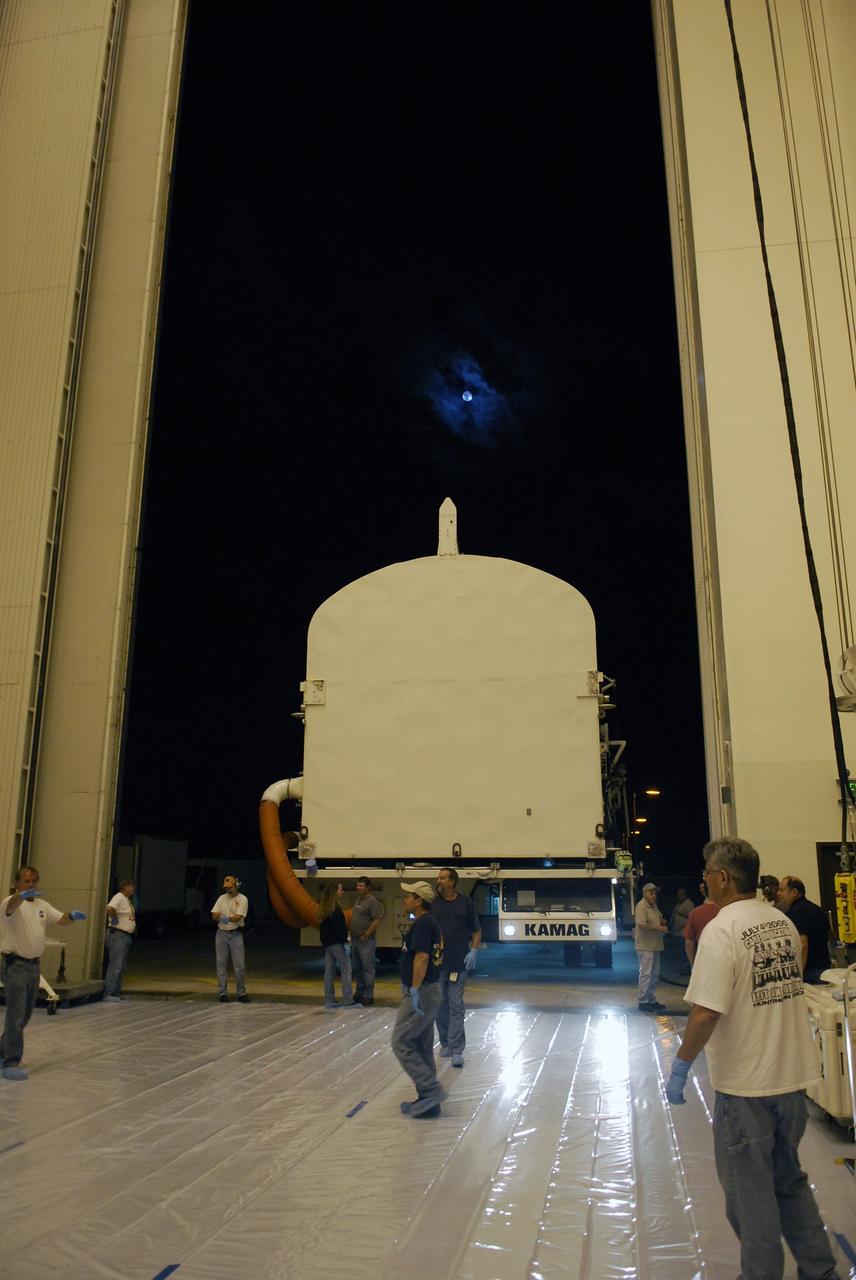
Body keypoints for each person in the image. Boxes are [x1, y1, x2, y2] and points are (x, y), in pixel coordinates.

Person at [665, 837, 841, 1280]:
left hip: (747, 1086)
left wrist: (682, 1063)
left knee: (749, 1194)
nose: (703, 880)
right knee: (789, 1180)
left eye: (707, 872)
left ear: (723, 877)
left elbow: (706, 1011)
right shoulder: (778, 922)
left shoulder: (722, 929)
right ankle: (820, 1270)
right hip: (791, 1080)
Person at [1, 865, 87, 1081]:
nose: (31, 885)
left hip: (33, 966)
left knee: (26, 1014)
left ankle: (3, 1050)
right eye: (27, 881)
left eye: (34, 881)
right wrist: (21, 896)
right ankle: (11, 1060)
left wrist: (72, 916)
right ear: (17, 883)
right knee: (16, 1013)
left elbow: (61, 919)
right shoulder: (10, 903)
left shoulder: (42, 905)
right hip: (15, 965)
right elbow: (11, 906)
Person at [392, 881, 445, 1117]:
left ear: (419, 901)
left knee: (401, 1041)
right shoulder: (427, 922)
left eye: (409, 896)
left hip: (422, 991)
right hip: (429, 990)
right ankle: (428, 1102)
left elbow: (421, 958)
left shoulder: (423, 923)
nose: (405, 900)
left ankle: (431, 1091)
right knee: (422, 1045)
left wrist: (414, 990)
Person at [431, 867, 481, 1067]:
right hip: (437, 964)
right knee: (439, 1006)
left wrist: (474, 951)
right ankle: (445, 1042)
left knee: (456, 1005)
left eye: (443, 878)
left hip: (458, 964)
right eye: (439, 877)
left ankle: (457, 1048)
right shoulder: (434, 904)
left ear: (452, 882)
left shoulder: (465, 903)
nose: (439, 880)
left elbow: (477, 930)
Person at [776, 877, 830, 984]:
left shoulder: (797, 912)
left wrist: (797, 976)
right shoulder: (817, 909)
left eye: (782, 890)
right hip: (825, 970)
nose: (779, 894)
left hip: (810, 972)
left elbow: (803, 945)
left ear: (794, 892)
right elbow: (830, 934)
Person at [317, 882, 358, 1009]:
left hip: (328, 943)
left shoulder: (324, 908)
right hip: (337, 943)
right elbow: (340, 927)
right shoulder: (335, 909)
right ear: (335, 892)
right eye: (340, 889)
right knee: (346, 969)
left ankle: (329, 999)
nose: (342, 892)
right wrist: (345, 942)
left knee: (329, 971)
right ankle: (348, 998)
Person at [211, 875, 250, 1003]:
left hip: (235, 934)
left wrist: (223, 918)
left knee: (239, 965)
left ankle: (241, 992)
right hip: (221, 933)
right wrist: (228, 918)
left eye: (230, 887)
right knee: (221, 963)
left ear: (236, 886)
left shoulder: (242, 899)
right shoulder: (222, 898)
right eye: (226, 888)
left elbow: (237, 918)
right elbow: (214, 915)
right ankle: (222, 992)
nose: (228, 890)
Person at [634, 882, 667, 1011]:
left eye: (655, 893)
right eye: (651, 893)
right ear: (645, 893)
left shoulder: (654, 906)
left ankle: (651, 998)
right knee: (646, 974)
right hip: (645, 945)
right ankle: (643, 1001)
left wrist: (662, 921)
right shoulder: (641, 906)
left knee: (655, 974)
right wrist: (659, 927)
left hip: (655, 945)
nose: (654, 896)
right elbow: (642, 925)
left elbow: (659, 918)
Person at [350, 875, 383, 1006]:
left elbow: (376, 920)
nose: (358, 888)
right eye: (357, 885)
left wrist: (367, 934)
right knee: (357, 967)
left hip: (366, 941)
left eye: (361, 886)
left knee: (367, 968)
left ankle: (368, 995)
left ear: (368, 888)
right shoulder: (358, 899)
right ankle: (359, 992)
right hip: (355, 940)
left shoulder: (372, 901)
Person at [104, 878, 136, 1001]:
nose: (133, 889)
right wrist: (115, 920)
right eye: (131, 886)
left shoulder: (127, 900)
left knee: (121, 966)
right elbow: (110, 908)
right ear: (125, 887)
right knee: (115, 965)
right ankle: (109, 993)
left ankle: (116, 993)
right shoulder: (119, 897)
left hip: (125, 936)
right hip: (117, 935)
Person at [683, 878, 718, 967]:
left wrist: (692, 966)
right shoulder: (726, 910)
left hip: (703, 960)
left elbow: (689, 943)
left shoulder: (696, 913)